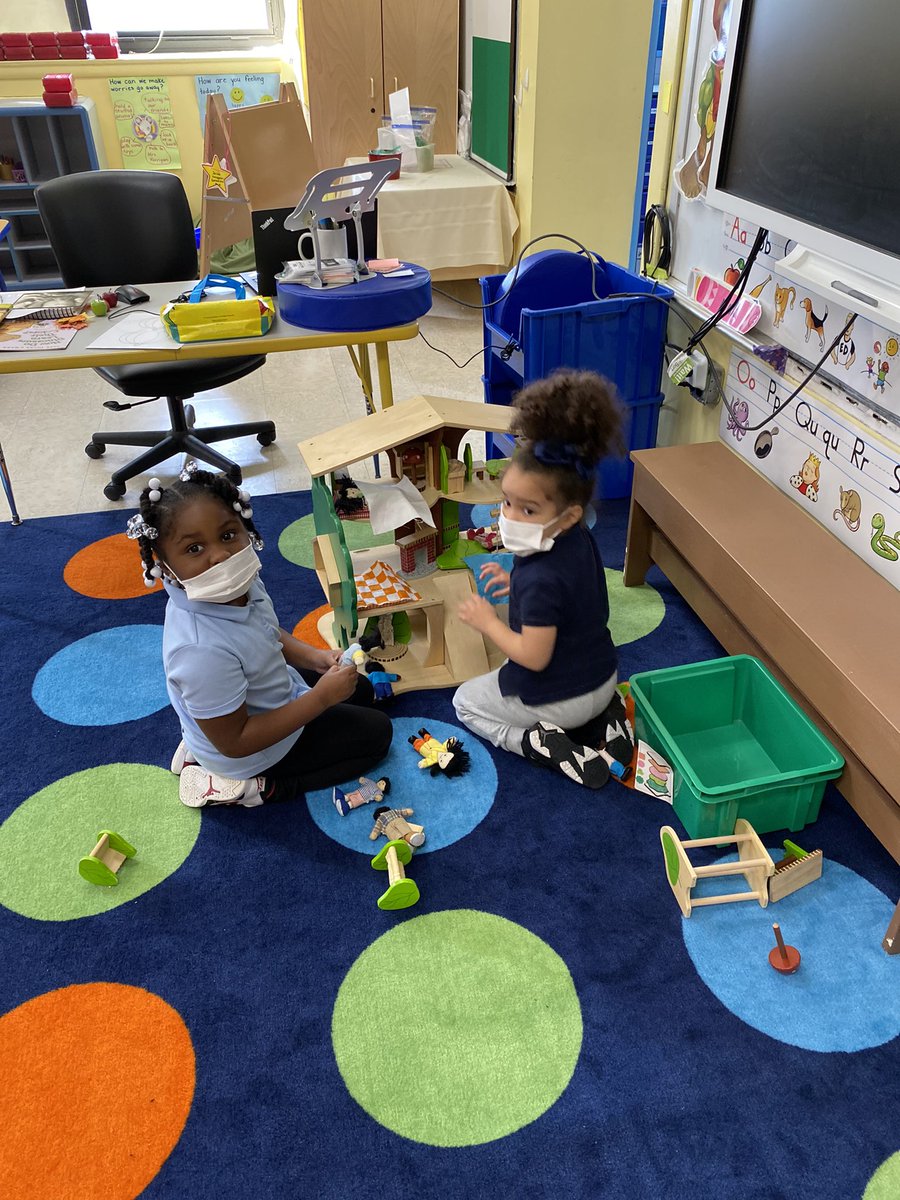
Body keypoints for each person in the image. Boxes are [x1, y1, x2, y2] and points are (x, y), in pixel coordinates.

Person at [126, 463, 392, 808]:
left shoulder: (240, 580)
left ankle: (200, 735)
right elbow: (236, 741)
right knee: (377, 735)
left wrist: (315, 658)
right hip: (247, 751)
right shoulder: (199, 650)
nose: (220, 556)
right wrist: (321, 699)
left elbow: (266, 632)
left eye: (227, 535)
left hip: (262, 694)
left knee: (362, 690)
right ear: (164, 563)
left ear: (244, 527)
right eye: (194, 549)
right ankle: (260, 787)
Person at [452, 369, 631, 789]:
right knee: (584, 687)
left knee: (465, 703)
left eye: (527, 510)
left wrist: (487, 622)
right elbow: (573, 596)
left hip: (560, 702)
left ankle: (537, 742)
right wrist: (515, 585)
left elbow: (532, 657)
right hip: (604, 679)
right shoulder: (578, 536)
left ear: (566, 514)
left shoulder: (540, 580)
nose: (508, 517)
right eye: (507, 502)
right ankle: (608, 718)